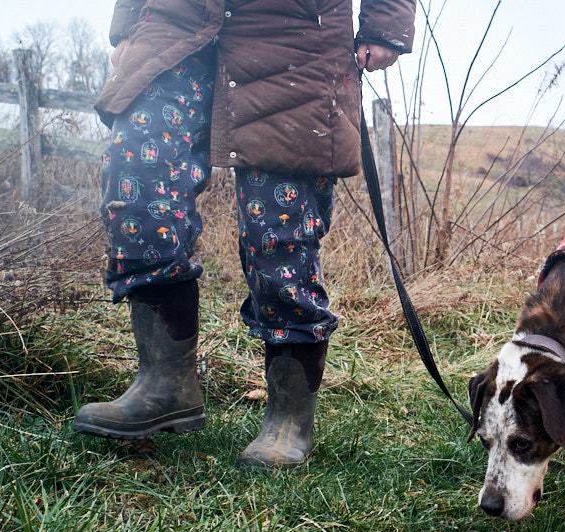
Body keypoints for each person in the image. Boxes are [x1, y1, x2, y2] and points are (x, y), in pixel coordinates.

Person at [73, 0, 415, 469]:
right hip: (177, 18)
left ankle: (289, 417)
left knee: (279, 231)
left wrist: (385, 25)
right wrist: (126, 26)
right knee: (138, 186)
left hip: (294, 26)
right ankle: (165, 385)